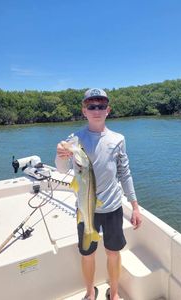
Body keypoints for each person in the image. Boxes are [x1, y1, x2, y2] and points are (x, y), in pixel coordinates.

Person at [55, 88, 142, 300]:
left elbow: (125, 173)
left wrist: (135, 206)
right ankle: (89, 292)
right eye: (91, 106)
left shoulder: (118, 139)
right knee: (88, 255)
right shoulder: (75, 139)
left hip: (112, 208)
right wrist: (61, 154)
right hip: (86, 209)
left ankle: (113, 293)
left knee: (113, 253)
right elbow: (61, 170)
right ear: (84, 111)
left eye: (101, 106)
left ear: (108, 110)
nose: (96, 110)